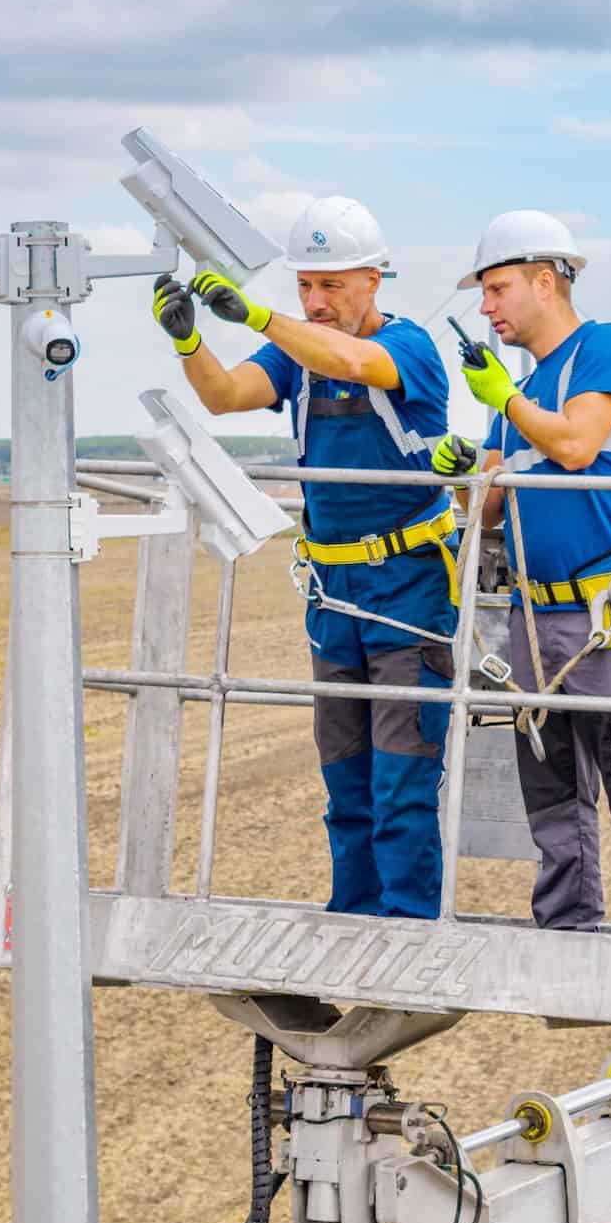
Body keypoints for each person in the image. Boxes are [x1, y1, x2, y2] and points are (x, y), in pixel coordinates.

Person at [153, 196, 456, 919]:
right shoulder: (297, 352)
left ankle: (408, 925)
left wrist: (258, 318)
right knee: (345, 772)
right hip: (334, 591)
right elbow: (227, 396)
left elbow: (350, 358)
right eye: (305, 288)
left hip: (409, 587)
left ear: (373, 281)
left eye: (331, 286)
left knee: (401, 775)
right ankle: (352, 913)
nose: (316, 303)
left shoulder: (407, 346)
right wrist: (189, 342)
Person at [432, 211, 611, 935]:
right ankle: (566, 932)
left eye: (497, 288)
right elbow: (493, 511)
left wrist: (503, 401)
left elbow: (574, 445)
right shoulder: (525, 392)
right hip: (536, 619)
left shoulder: (605, 349)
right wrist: (466, 473)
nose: (486, 307)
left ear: (545, 280)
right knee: (552, 786)